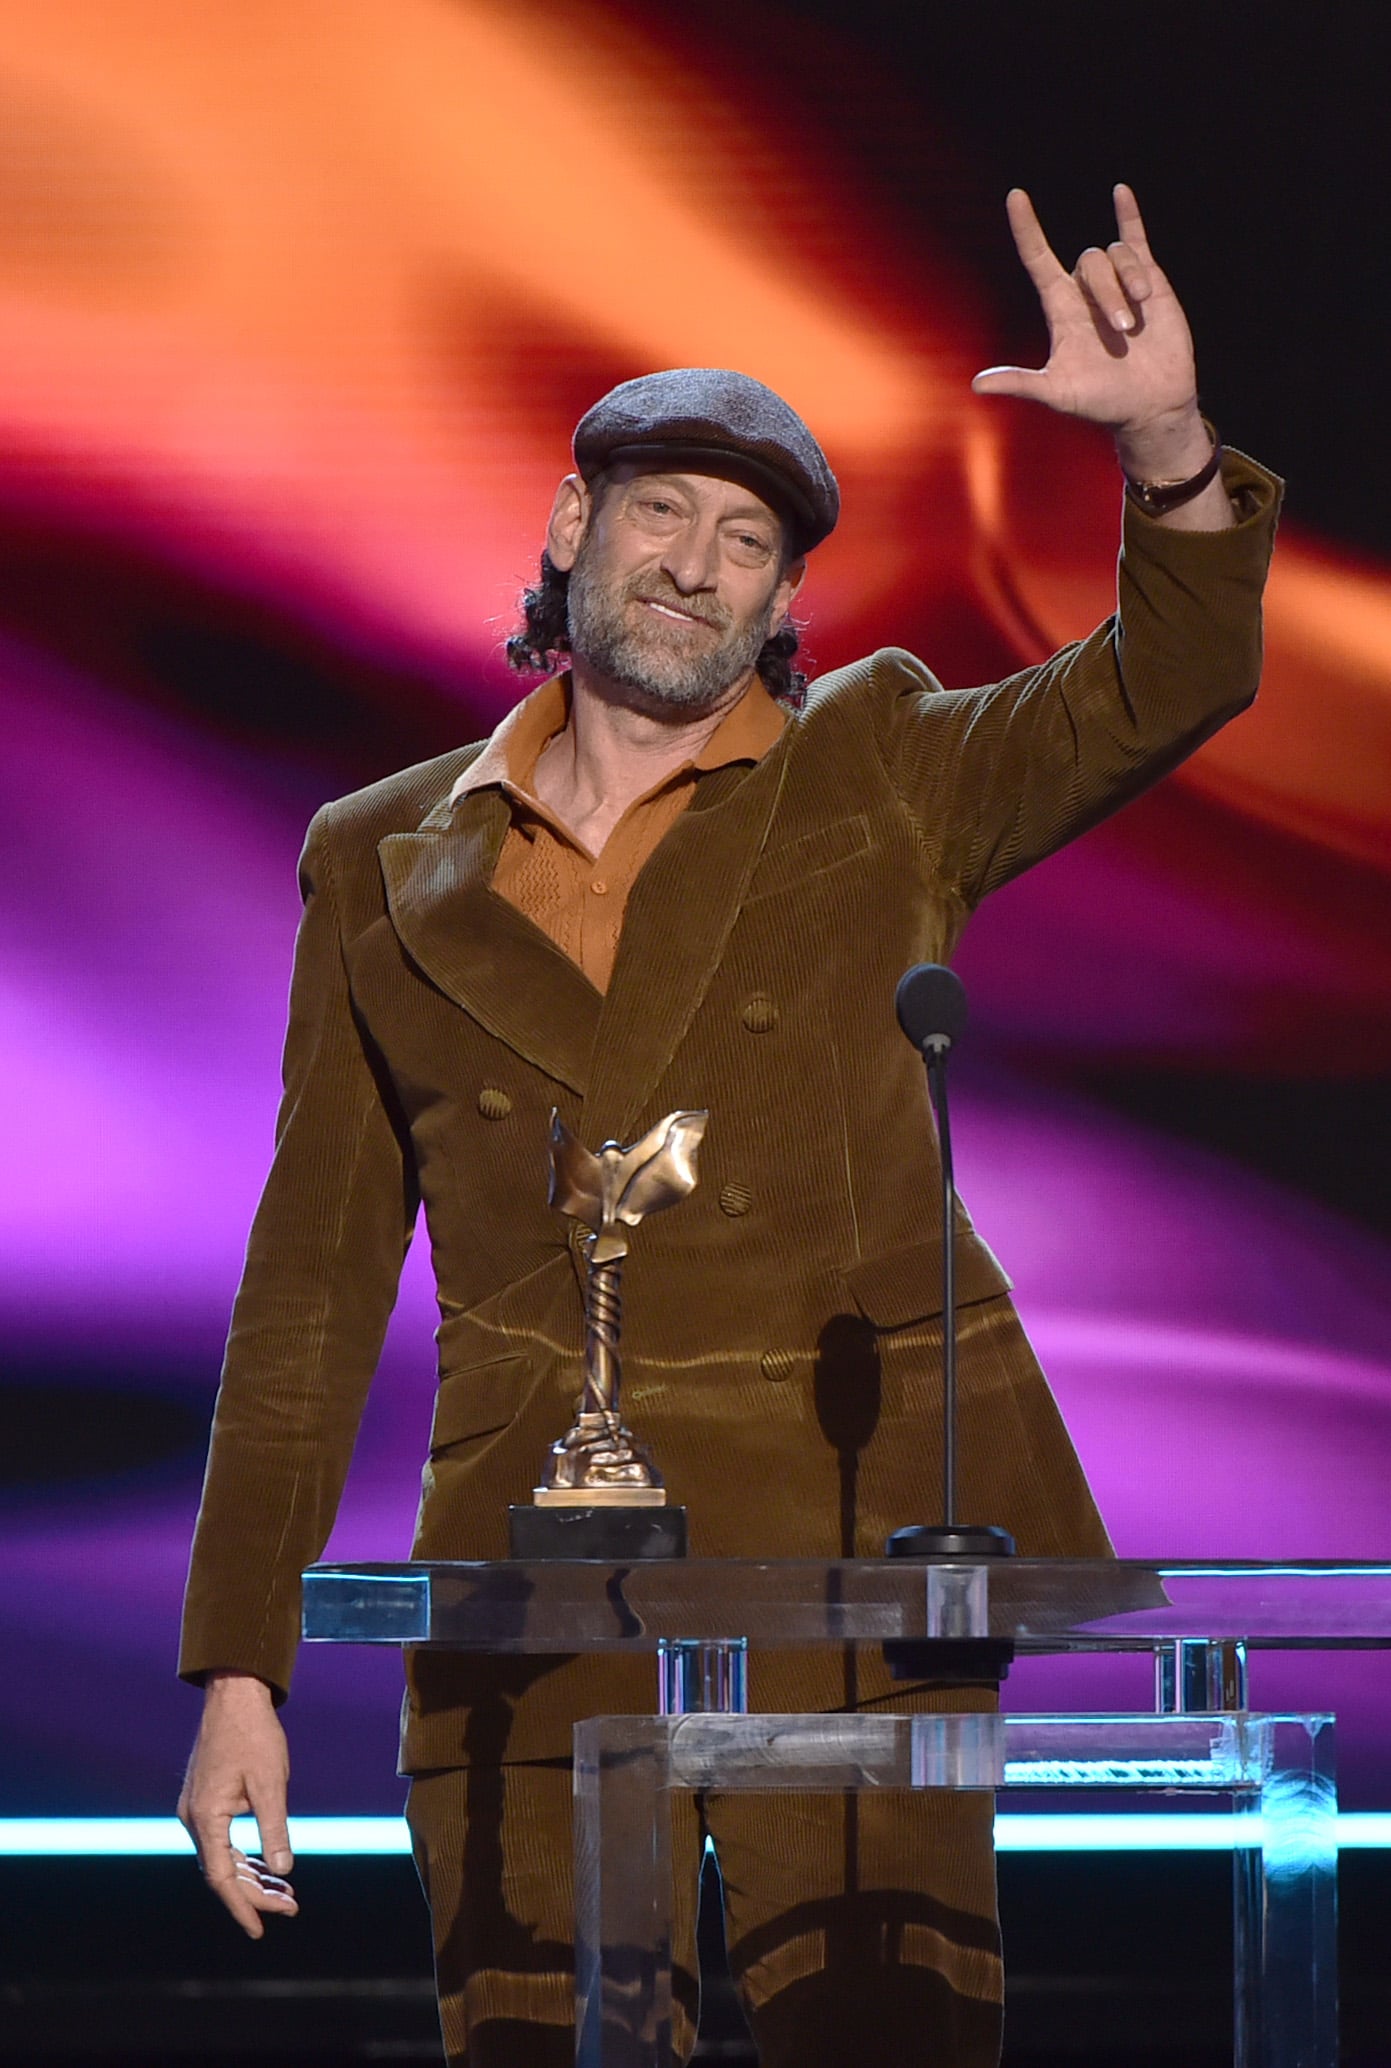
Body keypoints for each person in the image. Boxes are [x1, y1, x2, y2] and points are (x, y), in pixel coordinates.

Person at [178, 186, 1281, 2067]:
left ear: (785, 601)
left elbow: (1164, 684)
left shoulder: (885, 766)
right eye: (664, 513)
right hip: (531, 1574)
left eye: (747, 539)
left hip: (849, 1542)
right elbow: (310, 1283)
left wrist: (1167, 449)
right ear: (570, 528)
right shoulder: (376, 859)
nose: (696, 563)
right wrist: (237, 1669)